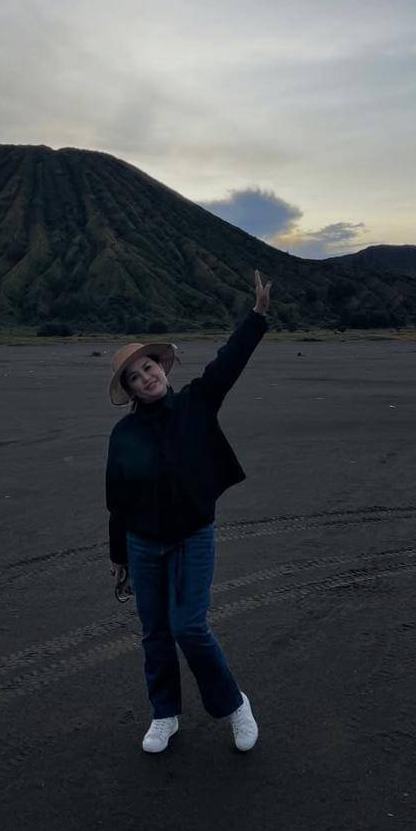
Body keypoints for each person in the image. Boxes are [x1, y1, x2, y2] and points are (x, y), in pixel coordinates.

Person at [105, 269, 272, 753]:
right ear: (131, 391)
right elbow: (117, 500)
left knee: (189, 626)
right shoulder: (124, 435)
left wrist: (257, 316)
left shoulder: (197, 403)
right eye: (135, 378)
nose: (146, 378)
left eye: (149, 369)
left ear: (163, 369)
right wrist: (120, 558)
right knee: (154, 632)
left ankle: (235, 705)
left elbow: (228, 363)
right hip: (143, 543)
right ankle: (164, 714)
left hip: (194, 534)